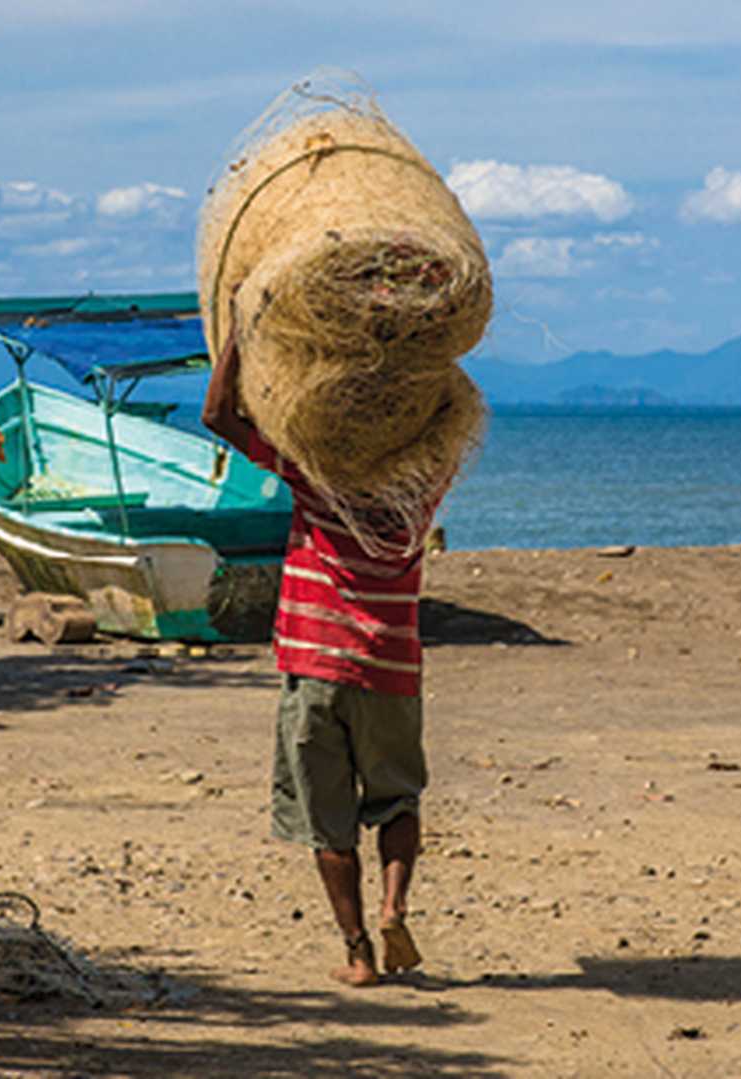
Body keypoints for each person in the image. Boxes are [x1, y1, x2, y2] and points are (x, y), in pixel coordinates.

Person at [202, 327, 444, 987]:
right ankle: (396, 905)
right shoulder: (422, 488)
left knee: (326, 821)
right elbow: (452, 406)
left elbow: (217, 414)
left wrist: (239, 334)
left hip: (315, 663)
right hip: (391, 666)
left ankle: (359, 951)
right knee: (398, 800)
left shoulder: (315, 474)